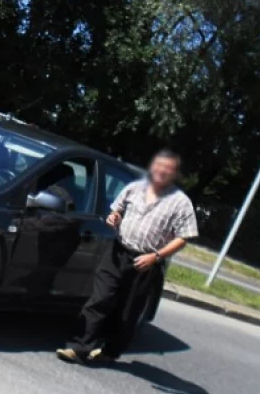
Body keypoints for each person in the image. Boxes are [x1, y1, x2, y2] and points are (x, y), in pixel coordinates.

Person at [56, 149, 198, 364]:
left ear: (175, 174)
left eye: (167, 169)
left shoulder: (181, 202)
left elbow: (184, 237)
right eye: (159, 165)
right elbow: (116, 211)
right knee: (100, 299)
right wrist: (114, 217)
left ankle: (110, 351)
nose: (161, 171)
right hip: (117, 251)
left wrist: (156, 256)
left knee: (127, 312)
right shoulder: (134, 188)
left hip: (145, 262)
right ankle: (78, 347)